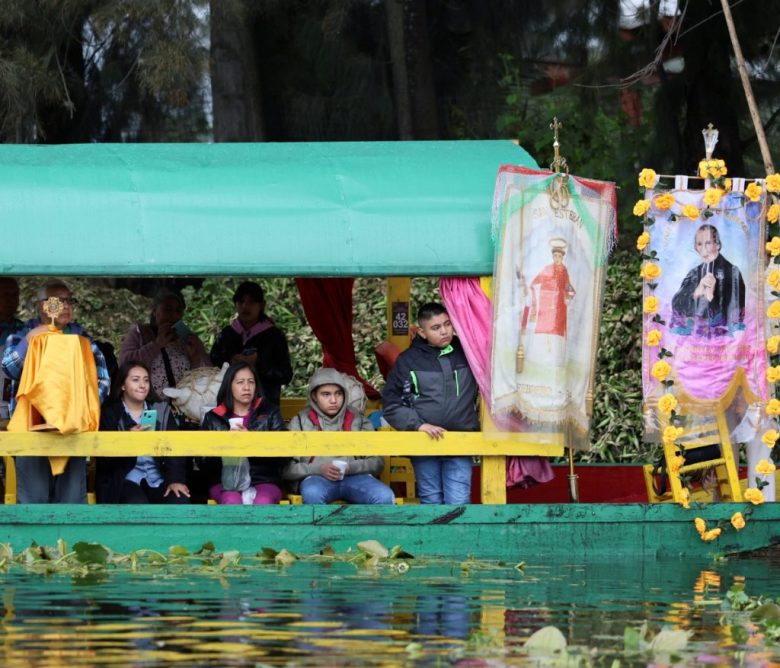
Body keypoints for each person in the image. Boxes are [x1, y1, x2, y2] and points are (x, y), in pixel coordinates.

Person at [1, 279, 110, 503]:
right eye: (60, 301)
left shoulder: (82, 340)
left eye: (71, 301)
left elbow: (103, 381)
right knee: (34, 501)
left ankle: (72, 540)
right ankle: (33, 541)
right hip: (30, 432)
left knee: (70, 501)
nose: (67, 306)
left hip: (72, 432)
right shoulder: (22, 335)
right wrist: (32, 339)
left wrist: (79, 409)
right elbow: (10, 368)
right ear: (43, 306)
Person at [382, 302, 479, 504]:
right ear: (422, 332)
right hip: (424, 443)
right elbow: (391, 404)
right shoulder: (408, 360)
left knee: (459, 502)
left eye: (447, 324)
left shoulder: (469, 352)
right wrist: (418, 425)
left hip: (460, 441)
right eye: (435, 328)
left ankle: (458, 537)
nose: (444, 331)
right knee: (431, 500)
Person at [282, 368, 395, 504]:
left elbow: (377, 462)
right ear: (314, 396)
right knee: (312, 494)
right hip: (316, 478)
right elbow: (286, 468)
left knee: (384, 496)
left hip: (356, 477)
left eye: (338, 394)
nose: (333, 400)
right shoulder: (299, 421)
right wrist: (319, 469)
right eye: (326, 394)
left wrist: (350, 468)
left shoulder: (358, 419)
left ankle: (366, 526)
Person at [96, 360, 190, 504]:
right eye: (135, 380)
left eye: (146, 380)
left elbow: (175, 450)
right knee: (136, 502)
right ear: (122, 385)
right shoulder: (110, 414)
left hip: (158, 478)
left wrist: (175, 480)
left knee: (179, 500)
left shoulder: (161, 411)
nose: (142, 385)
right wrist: (128, 441)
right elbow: (104, 460)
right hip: (124, 479)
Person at [200, 361, 288, 504]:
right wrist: (224, 447)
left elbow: (284, 457)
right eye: (240, 382)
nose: (246, 387)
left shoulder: (270, 412)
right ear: (229, 386)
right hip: (225, 481)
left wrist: (252, 442)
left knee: (263, 502)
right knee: (231, 500)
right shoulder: (213, 417)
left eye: (251, 382)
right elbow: (203, 464)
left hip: (264, 479)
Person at [210, 281, 292, 406]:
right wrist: (230, 361)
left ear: (262, 305)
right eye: (241, 301)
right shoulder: (227, 334)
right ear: (235, 304)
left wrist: (258, 363)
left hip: (264, 409)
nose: (245, 306)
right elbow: (212, 364)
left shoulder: (274, 336)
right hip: (229, 407)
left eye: (251, 302)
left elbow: (285, 375)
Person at [119, 288, 210, 398]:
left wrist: (194, 357)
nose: (173, 315)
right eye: (168, 310)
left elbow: (208, 376)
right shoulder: (140, 332)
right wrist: (157, 345)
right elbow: (125, 364)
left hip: (186, 405)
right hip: (149, 407)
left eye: (178, 311)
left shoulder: (189, 338)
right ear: (155, 312)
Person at [671, 224, 745, 337]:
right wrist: (696, 292)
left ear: (717, 244)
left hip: (723, 339)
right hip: (695, 338)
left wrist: (711, 297)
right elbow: (676, 305)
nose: (703, 248)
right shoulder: (694, 273)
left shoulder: (733, 272)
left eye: (708, 243)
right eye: (699, 244)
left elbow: (737, 311)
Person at [0, 278, 23, 421]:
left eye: (15, 295)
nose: (11, 300)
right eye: (5, 295)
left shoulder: (24, 330)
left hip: (10, 404)